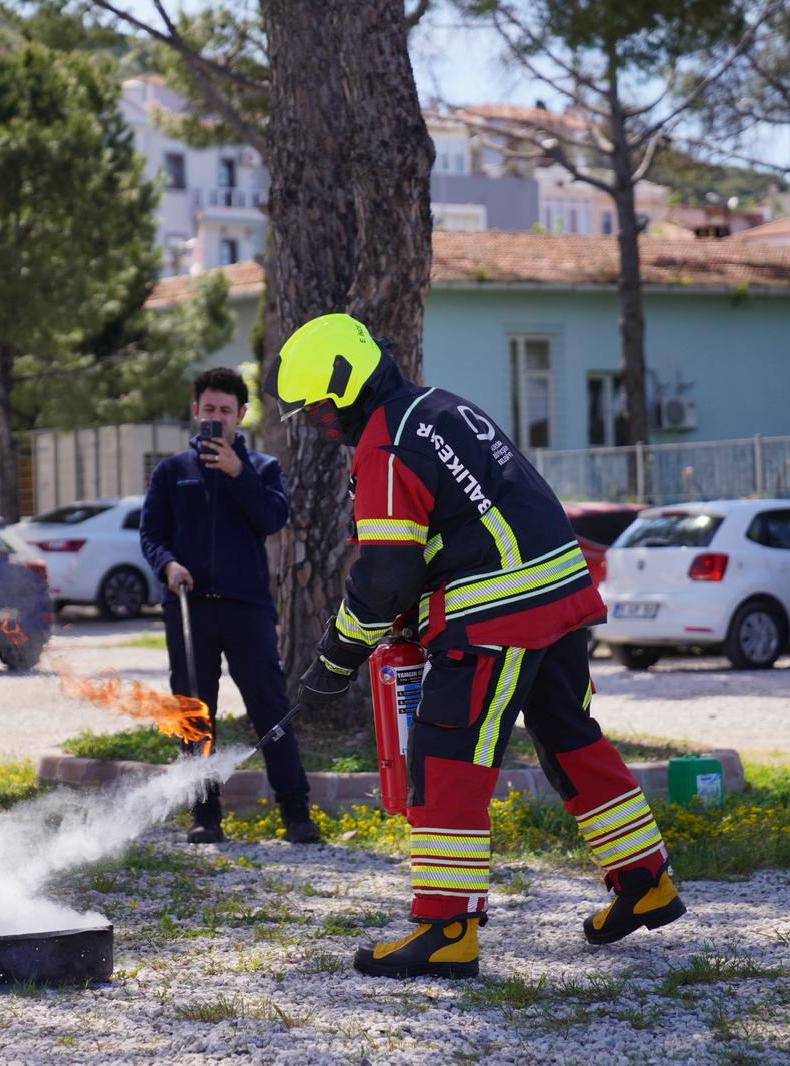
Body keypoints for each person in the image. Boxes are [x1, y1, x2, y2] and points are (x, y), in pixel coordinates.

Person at [265, 314, 685, 979]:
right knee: (571, 738)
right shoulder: (441, 407)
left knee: (445, 755)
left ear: (344, 389)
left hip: (496, 615)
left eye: (318, 409)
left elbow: (386, 574)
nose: (320, 423)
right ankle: (646, 880)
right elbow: (466, 522)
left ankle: (446, 929)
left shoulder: (386, 443)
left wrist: (337, 658)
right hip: (558, 593)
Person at [140, 367, 320, 845]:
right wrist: (168, 565)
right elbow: (151, 535)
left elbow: (272, 517)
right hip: (189, 608)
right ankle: (205, 816)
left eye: (225, 410)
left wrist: (239, 473)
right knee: (195, 714)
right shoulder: (172, 472)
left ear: (241, 415)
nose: (216, 417)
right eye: (209, 409)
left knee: (270, 708)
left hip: (247, 609)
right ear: (194, 411)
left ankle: (296, 813)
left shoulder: (263, 467)